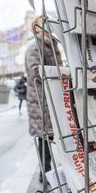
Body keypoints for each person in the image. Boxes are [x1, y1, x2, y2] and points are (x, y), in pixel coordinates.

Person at [25, 16, 62, 183]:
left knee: (53, 137)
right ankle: (45, 173)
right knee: (45, 139)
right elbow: (34, 70)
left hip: (52, 97)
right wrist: (58, 73)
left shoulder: (52, 45)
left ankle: (53, 172)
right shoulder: (35, 46)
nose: (48, 25)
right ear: (37, 28)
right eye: (44, 22)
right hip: (41, 101)